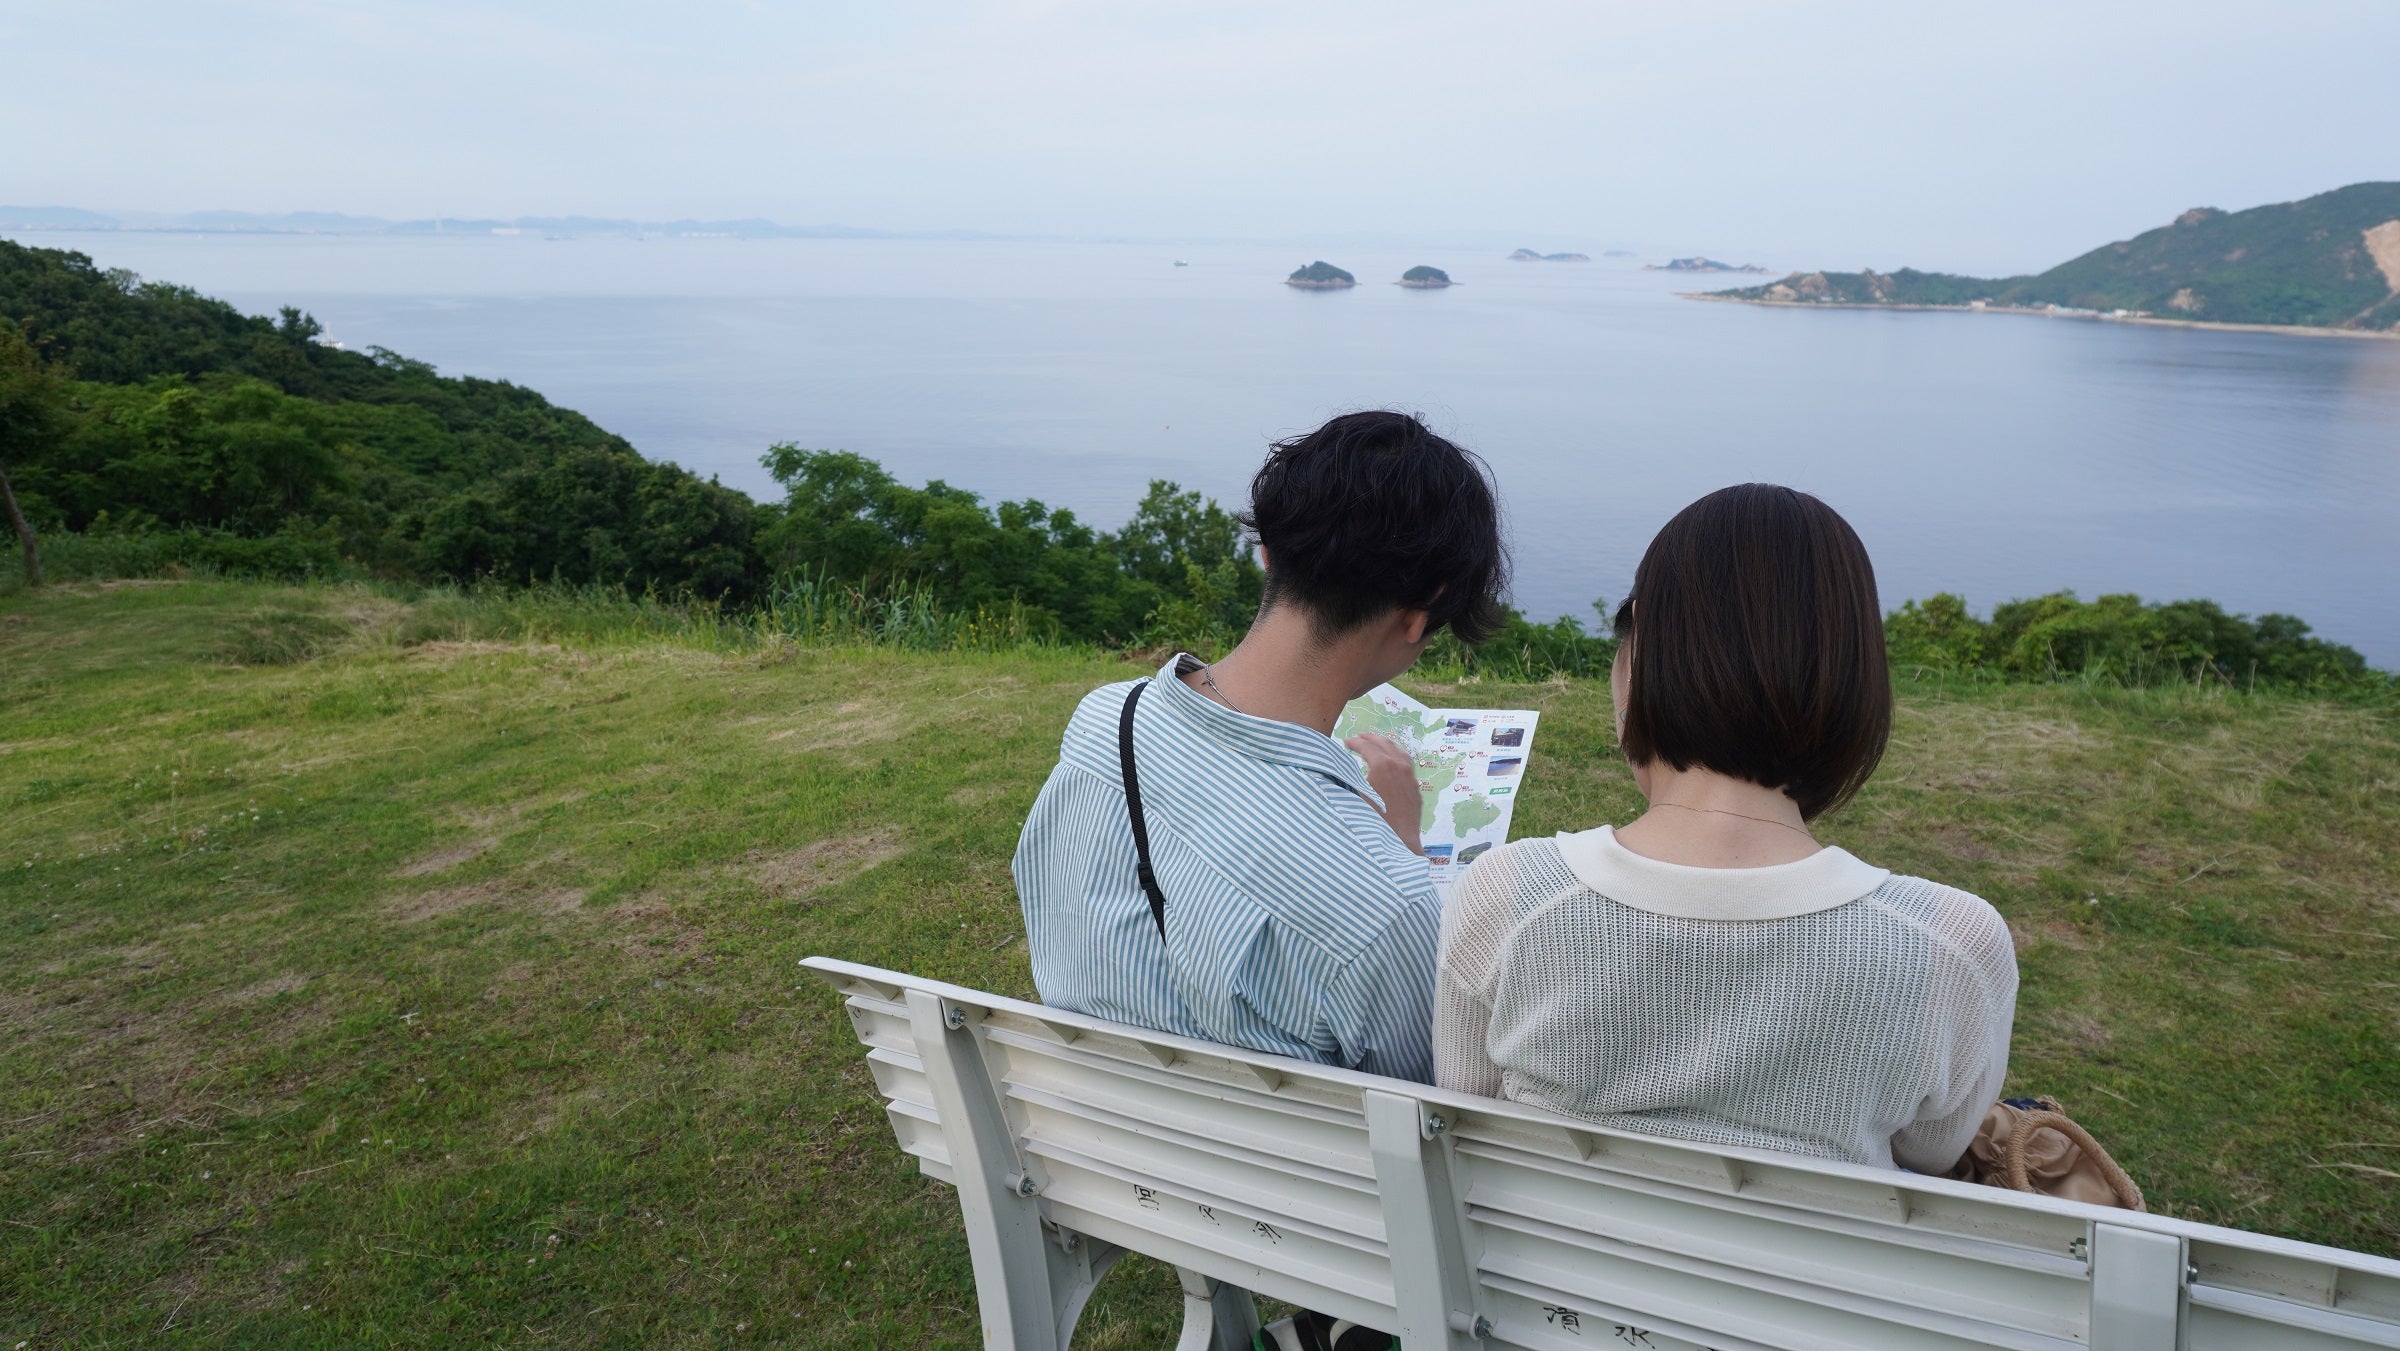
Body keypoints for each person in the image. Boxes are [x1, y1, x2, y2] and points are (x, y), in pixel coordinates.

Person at [1434, 483, 2017, 1173]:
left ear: (1635, 673)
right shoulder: (1954, 946)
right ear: (1858, 684)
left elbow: (1462, 1119)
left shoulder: (1505, 898)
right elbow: (1932, 1155)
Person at [1013, 409, 1509, 1084]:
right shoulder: (1387, 901)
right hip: (1285, 1184)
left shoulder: (1102, 723)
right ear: (1418, 618)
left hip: (1092, 1141)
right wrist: (1405, 853)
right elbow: (1432, 1106)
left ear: (1269, 552)